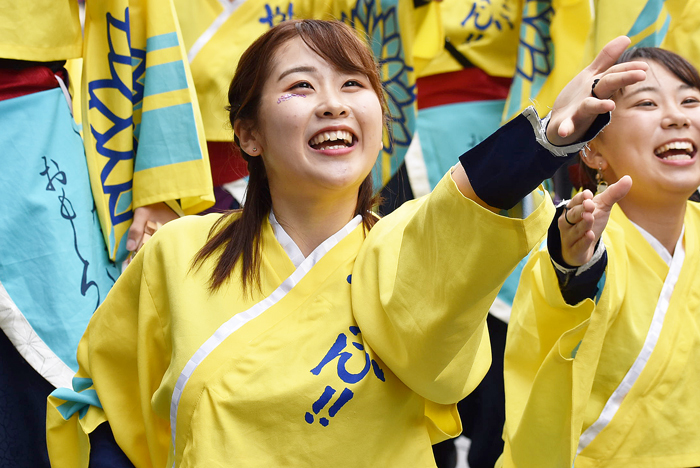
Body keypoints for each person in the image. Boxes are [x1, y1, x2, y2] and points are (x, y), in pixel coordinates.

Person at [46, 19, 645, 467]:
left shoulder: (402, 248)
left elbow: (457, 226)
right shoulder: (177, 253)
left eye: (353, 85)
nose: (333, 103)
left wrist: (540, 146)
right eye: (301, 86)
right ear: (247, 133)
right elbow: (105, 408)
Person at [500, 47, 700, 467]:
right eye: (647, 102)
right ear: (591, 151)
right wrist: (574, 262)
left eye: (691, 100)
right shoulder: (579, 234)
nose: (678, 117)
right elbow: (566, 287)